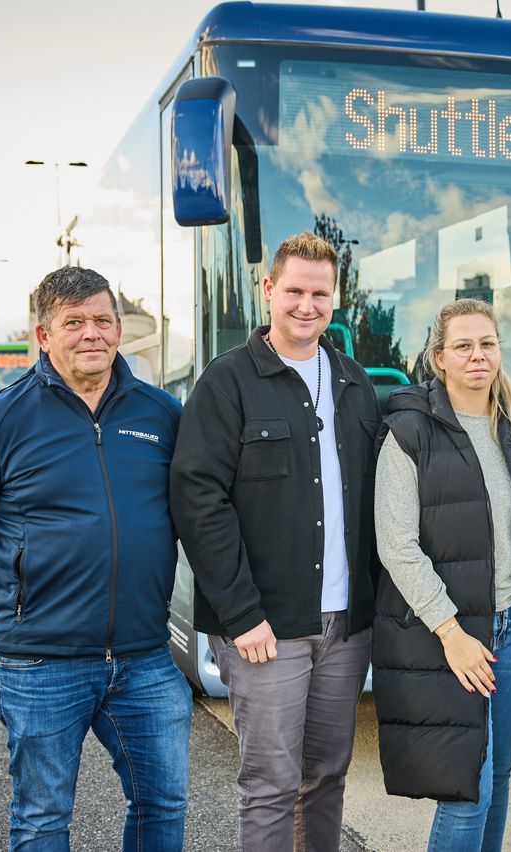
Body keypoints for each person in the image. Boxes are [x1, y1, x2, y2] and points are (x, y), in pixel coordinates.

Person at [0, 266, 192, 851]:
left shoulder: (160, 414)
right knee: (43, 818)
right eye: (73, 322)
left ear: (119, 329)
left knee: (163, 805)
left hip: (145, 657)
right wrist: (19, 600)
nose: (90, 333)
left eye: (102, 319)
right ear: (44, 337)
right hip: (42, 664)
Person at [169, 231, 380, 850]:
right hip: (265, 631)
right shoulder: (227, 382)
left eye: (320, 293)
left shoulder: (353, 382)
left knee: (326, 776)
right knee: (270, 784)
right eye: (294, 291)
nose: (306, 306)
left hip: (346, 627)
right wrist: (241, 614)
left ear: (335, 298)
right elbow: (197, 499)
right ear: (269, 291)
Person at [371, 298, 511, 851]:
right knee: (467, 792)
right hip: (448, 637)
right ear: (439, 357)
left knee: (500, 777)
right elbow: (397, 545)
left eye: (487, 343)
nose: (477, 355)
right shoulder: (408, 433)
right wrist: (450, 632)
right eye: (462, 345)